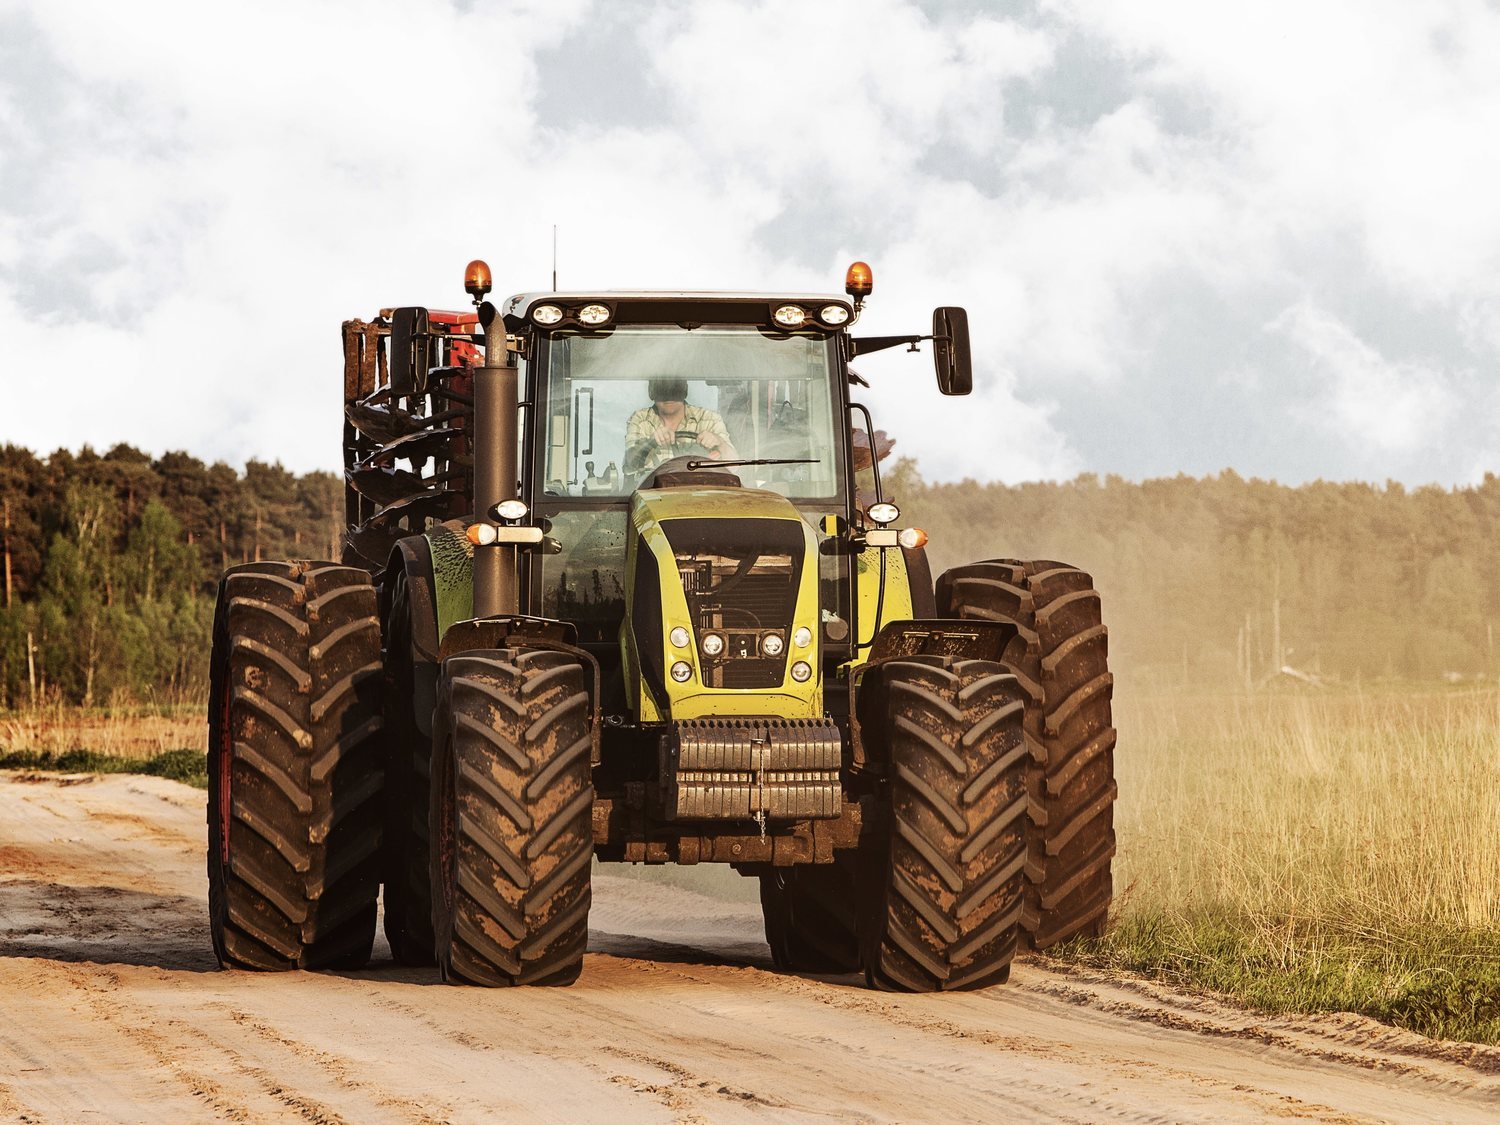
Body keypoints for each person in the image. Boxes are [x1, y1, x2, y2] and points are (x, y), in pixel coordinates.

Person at [623, 377, 737, 475]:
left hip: (704, 495)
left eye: (675, 388)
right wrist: (649, 443)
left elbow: (735, 466)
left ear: (685, 390)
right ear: (651, 391)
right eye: (661, 388)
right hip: (653, 496)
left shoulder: (709, 418)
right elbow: (631, 463)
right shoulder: (640, 419)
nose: (669, 395)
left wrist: (720, 443)